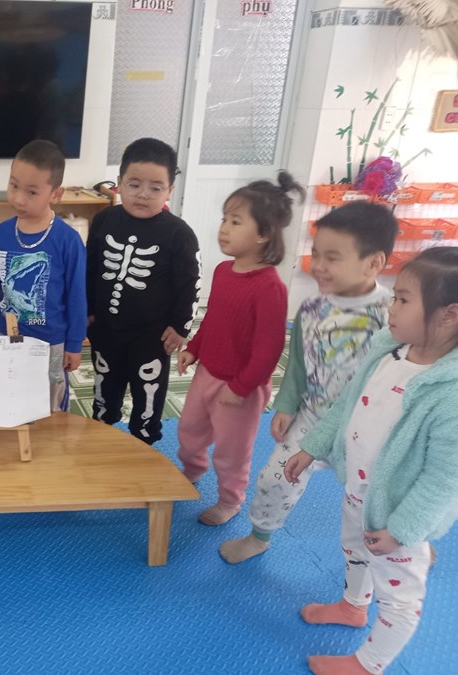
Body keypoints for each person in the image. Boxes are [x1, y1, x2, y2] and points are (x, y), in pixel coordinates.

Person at [285, 246, 458, 675]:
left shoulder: (450, 392)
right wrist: (312, 446)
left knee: (399, 597)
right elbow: (348, 403)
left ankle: (369, 664)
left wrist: (402, 530)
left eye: (403, 299)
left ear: (449, 315)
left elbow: (445, 479)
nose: (391, 307)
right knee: (354, 549)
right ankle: (352, 605)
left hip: (399, 517)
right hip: (359, 490)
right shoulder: (388, 349)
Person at [220, 202, 397, 563]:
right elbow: (299, 362)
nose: (318, 266)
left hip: (368, 430)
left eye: (332, 257)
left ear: (373, 263)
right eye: (316, 254)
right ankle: (259, 537)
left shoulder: (392, 315)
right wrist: (287, 404)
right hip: (312, 417)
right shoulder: (311, 308)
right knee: (274, 480)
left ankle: (408, 538)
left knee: (377, 502)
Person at [176, 172, 305, 525]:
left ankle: (230, 500)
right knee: (189, 432)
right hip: (207, 373)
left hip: (240, 389)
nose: (224, 228)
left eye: (236, 222)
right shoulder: (222, 271)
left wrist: (241, 387)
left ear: (263, 234)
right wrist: (194, 348)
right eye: (224, 219)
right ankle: (192, 469)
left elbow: (269, 349)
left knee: (231, 453)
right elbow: (213, 318)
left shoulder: (270, 288)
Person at [86, 138, 200, 444]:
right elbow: (90, 267)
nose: (143, 194)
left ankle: (145, 443)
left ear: (169, 190)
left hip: (152, 336)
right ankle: (101, 437)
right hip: (106, 329)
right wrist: (86, 310)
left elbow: (190, 283)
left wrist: (180, 326)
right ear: (119, 183)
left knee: (148, 396)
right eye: (134, 185)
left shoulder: (179, 233)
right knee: (104, 388)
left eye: (155, 187)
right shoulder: (104, 220)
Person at [0, 139, 86, 411]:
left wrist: (74, 344)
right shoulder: (2, 232)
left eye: (31, 192)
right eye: (13, 186)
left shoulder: (68, 240)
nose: (18, 198)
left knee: (50, 407)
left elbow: (77, 295)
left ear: (55, 194)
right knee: (5, 399)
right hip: (5, 336)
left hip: (50, 343)